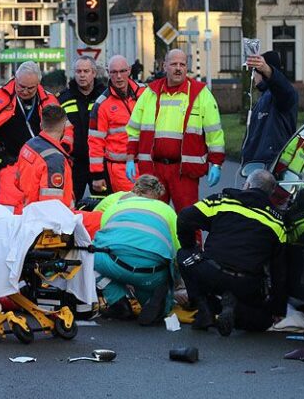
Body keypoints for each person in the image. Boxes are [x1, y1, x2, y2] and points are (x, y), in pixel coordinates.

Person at [176, 169, 287, 336]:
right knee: (263, 320)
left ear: (247, 185)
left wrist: (192, 246)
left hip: (211, 273)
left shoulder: (222, 202)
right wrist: (278, 308)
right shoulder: (277, 222)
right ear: (270, 194)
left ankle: (203, 305)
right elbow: (280, 271)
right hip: (247, 283)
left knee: (184, 254)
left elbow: (185, 217)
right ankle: (234, 311)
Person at [0, 61, 73, 207]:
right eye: (21, 87)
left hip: (40, 162)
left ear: (38, 84)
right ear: (15, 79)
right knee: (11, 210)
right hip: (10, 161)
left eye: (30, 88)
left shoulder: (48, 100)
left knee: (45, 206)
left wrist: (64, 149)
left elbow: (66, 126)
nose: (25, 91)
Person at [125, 48, 225, 212]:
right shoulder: (150, 93)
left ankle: (190, 240)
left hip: (184, 171)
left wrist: (216, 164)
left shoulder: (200, 94)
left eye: (182, 64)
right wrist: (130, 158)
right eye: (173, 64)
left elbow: (214, 134)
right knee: (153, 216)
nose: (178, 68)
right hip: (154, 170)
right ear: (164, 66)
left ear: (187, 67)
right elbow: (134, 130)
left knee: (188, 221)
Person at [94, 174, 179, 326]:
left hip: (117, 262)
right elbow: (177, 249)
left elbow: (98, 231)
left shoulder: (115, 203)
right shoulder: (166, 210)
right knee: (150, 279)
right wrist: (177, 282)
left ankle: (118, 301)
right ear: (157, 195)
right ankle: (156, 298)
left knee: (86, 257)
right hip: (153, 271)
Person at [89, 55, 144, 195]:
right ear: (108, 73)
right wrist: (97, 175)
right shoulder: (102, 104)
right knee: (129, 208)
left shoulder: (145, 93)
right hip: (120, 168)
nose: (118, 76)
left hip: (147, 164)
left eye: (122, 71)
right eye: (114, 72)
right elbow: (95, 141)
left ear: (129, 70)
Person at [57, 57, 106, 201]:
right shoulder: (63, 99)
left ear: (94, 73)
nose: (82, 75)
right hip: (74, 164)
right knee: (69, 203)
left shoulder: (104, 97)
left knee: (102, 204)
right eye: (78, 71)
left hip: (99, 164)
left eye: (86, 71)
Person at [241, 51, 298, 166]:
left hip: (271, 170)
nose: (253, 77)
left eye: (254, 72)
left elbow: (284, 89)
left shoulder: (280, 96)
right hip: (256, 170)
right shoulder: (263, 98)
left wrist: (267, 70)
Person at [14, 105, 73, 213]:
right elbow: (50, 207)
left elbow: (17, 181)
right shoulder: (54, 160)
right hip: (42, 222)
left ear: (41, 124)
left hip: (25, 211)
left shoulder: (28, 145)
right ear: (64, 126)